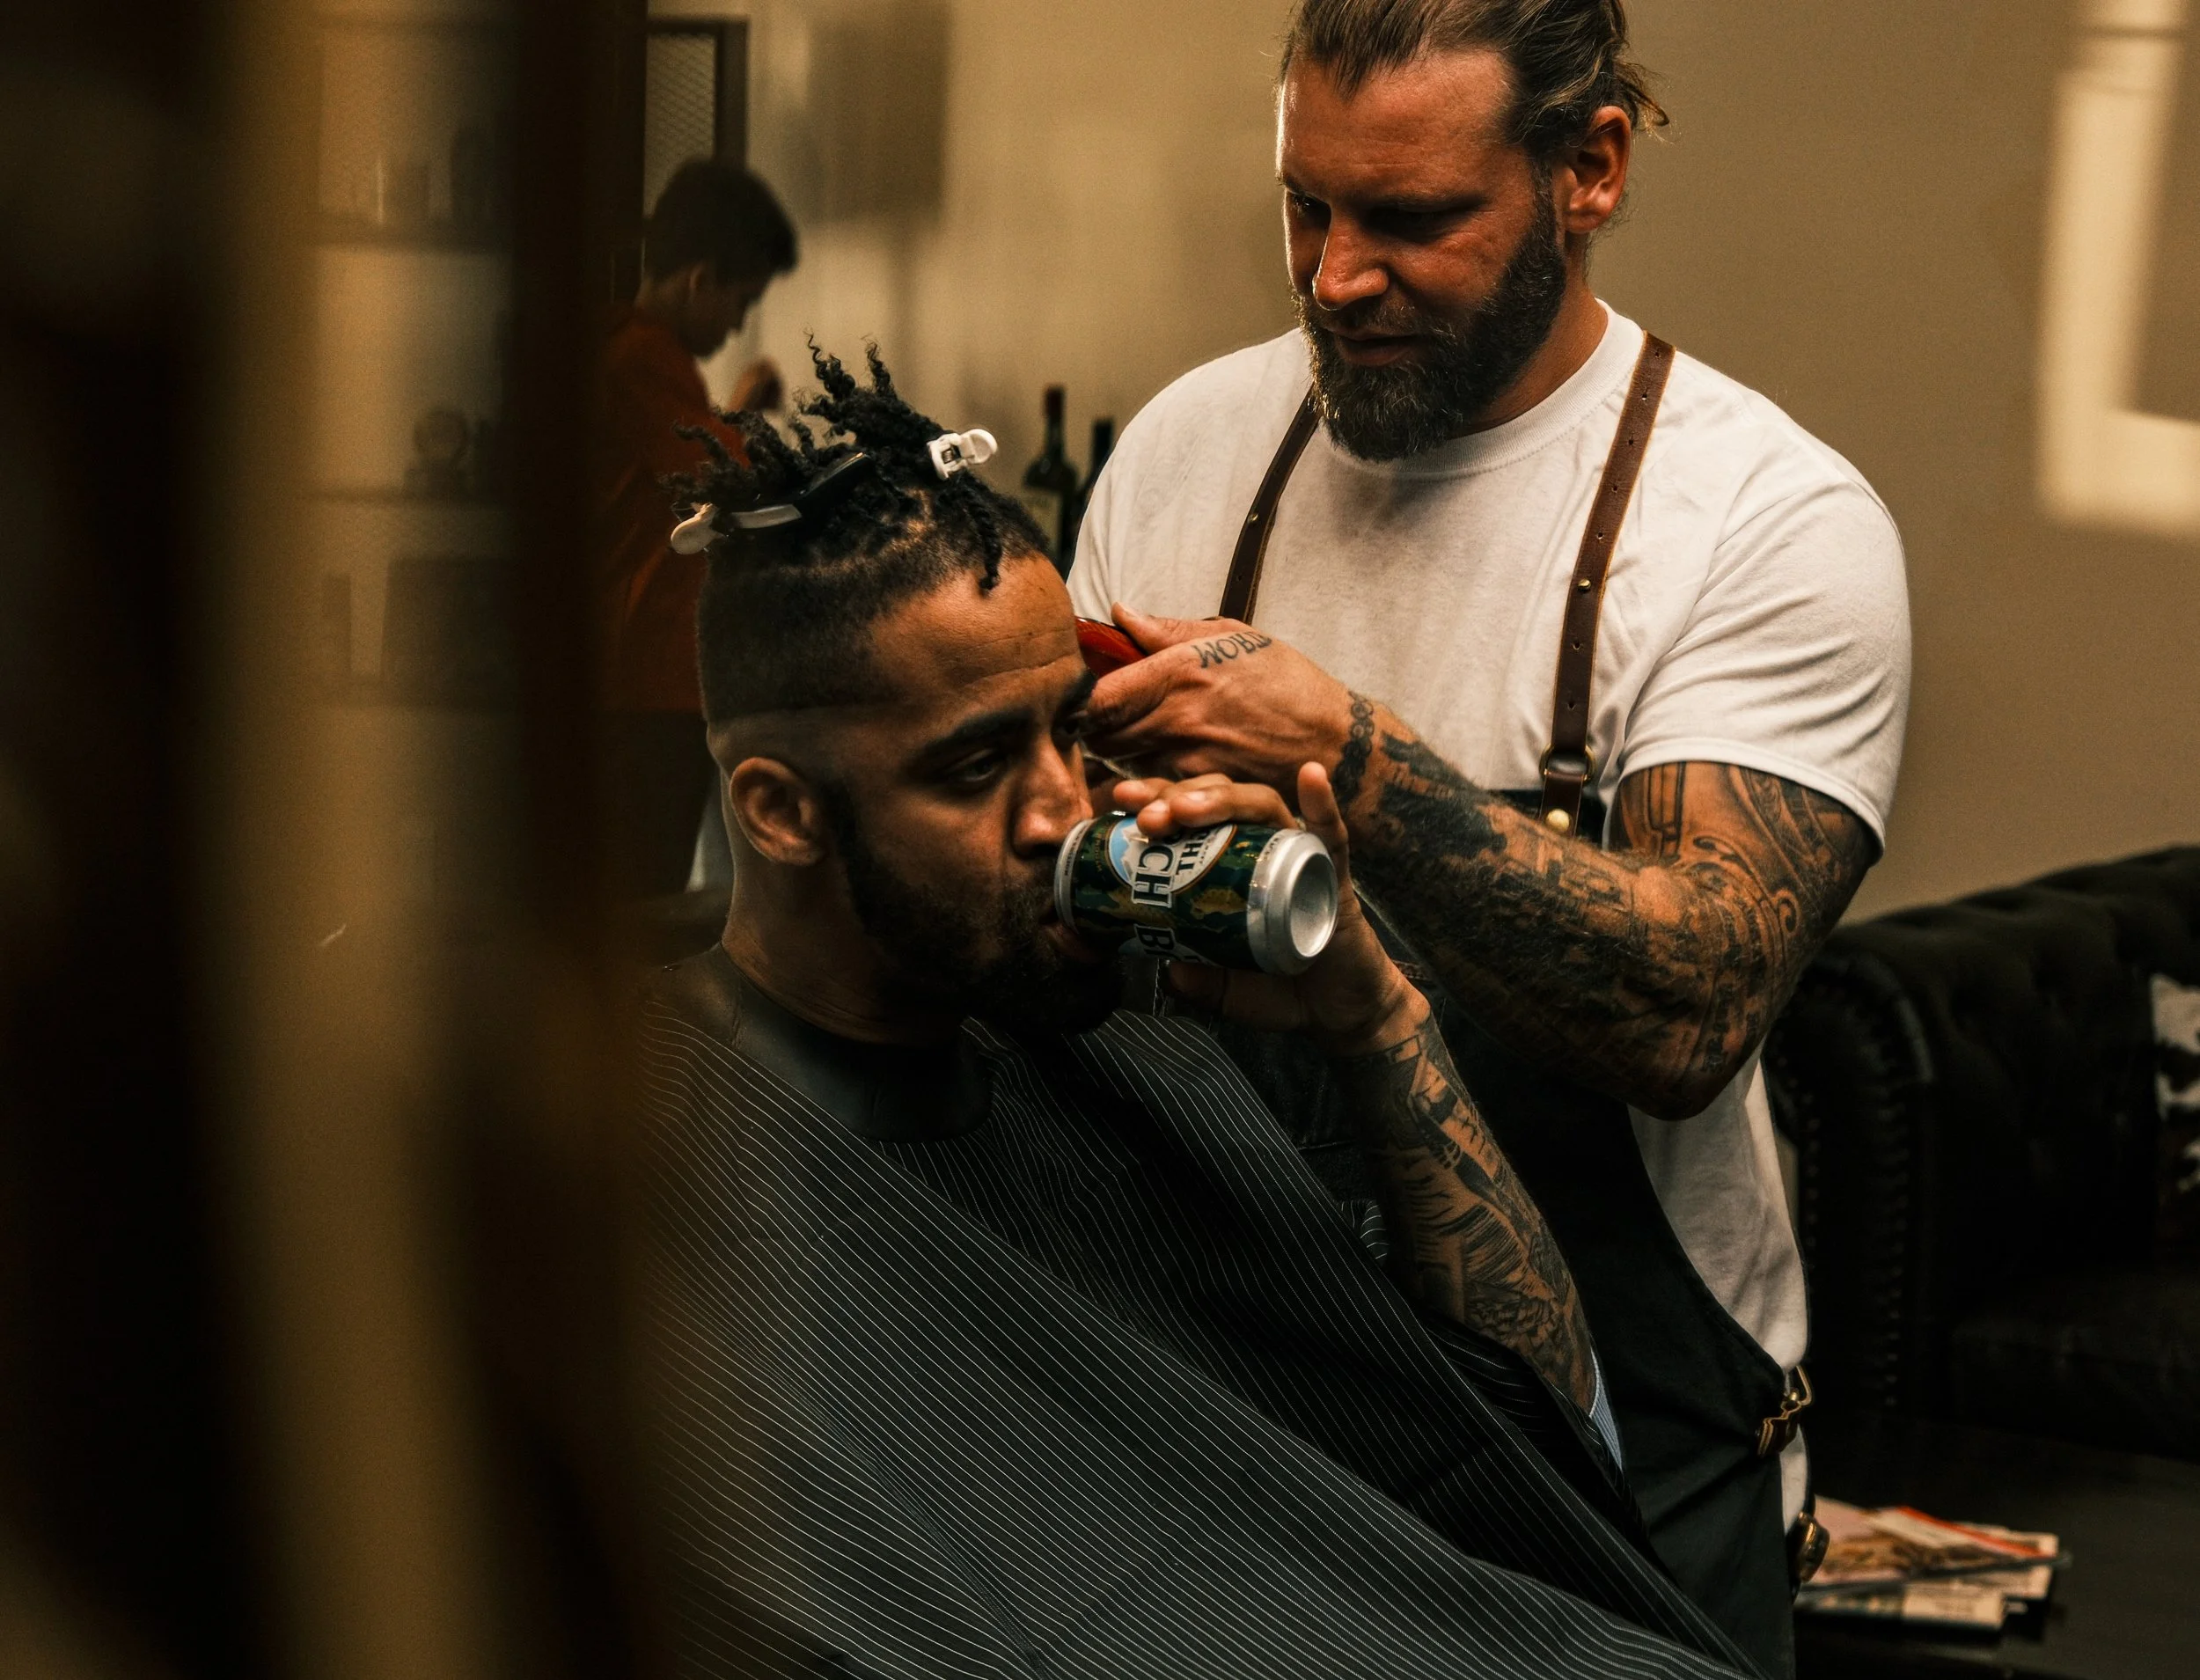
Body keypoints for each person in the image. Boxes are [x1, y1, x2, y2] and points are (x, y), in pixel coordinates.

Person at [634, 348, 1756, 1679]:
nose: (1063, 810)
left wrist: (1380, 1019)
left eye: (1070, 730)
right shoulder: (647, 1148)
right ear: (778, 808)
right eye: (980, 762)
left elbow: (1545, 1434)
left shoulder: (1145, 1035)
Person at [1067, 4, 1910, 1672]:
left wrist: (1349, 763)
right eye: (1308, 206)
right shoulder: (1189, 451)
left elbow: (1689, 1007)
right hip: (1242, 1410)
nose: (1333, 277)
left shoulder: (1761, 521)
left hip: (1627, 1462)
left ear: (1587, 169)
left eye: (1413, 220)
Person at [596, 158, 797, 898]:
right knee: (642, 897)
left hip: (643, 676)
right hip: (643, 677)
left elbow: (691, 451)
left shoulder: (640, 354)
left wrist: (735, 406)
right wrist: (747, 415)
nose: (740, 322)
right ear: (698, 279)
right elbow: (722, 471)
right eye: (740, 300)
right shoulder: (641, 355)